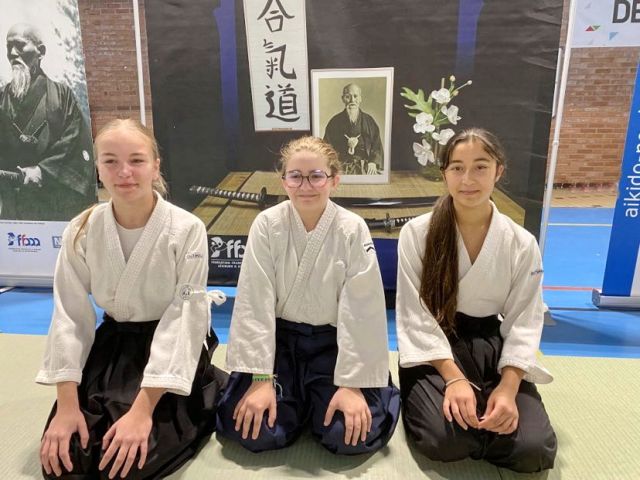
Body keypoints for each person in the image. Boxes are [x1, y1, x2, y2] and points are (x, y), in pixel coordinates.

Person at [35, 118, 228, 479]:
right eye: (110, 161)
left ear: (156, 166)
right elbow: (69, 316)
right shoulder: (81, 229)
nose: (124, 172)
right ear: (97, 168)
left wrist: (142, 412)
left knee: (125, 468)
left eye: (137, 160)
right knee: (68, 463)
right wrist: (65, 405)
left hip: (173, 348)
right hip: (113, 346)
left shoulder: (186, 229)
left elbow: (183, 318)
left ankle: (208, 385)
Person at [216, 136, 400, 454]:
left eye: (316, 176)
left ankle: (309, 404)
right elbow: (254, 302)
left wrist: (352, 384)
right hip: (279, 344)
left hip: (335, 344)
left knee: (349, 435)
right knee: (257, 431)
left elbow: (363, 311)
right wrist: (260, 380)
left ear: (334, 180)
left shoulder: (351, 229)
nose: (306, 186)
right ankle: (296, 403)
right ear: (283, 180)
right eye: (295, 176)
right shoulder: (267, 225)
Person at [396, 128, 557, 473]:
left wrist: (509, 388)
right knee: (444, 441)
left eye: (480, 167)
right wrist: (453, 379)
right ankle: (472, 424)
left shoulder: (520, 242)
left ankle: (489, 419)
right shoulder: (418, 233)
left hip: (491, 345)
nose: (467, 179)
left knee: (534, 450)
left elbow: (525, 320)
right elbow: (415, 315)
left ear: (499, 171)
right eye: (456, 168)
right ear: (444, 175)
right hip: (437, 349)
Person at [0, 23, 95, 221]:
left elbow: (74, 141)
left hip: (51, 198)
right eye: (8, 47)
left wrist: (43, 171)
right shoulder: (2, 97)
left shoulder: (62, 96)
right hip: (9, 200)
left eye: (19, 45)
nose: (12, 53)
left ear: (40, 51)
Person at [323, 83, 383, 175]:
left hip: (366, 166)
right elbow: (326, 148)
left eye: (355, 96)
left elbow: (377, 145)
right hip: (341, 166)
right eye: (348, 97)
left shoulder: (369, 121)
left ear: (360, 99)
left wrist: (373, 162)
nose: (352, 100)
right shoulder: (334, 122)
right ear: (343, 99)